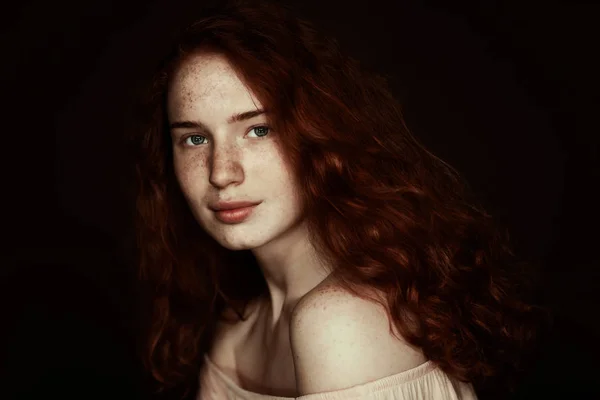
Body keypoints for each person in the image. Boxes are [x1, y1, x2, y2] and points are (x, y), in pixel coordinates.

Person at [126, 0, 552, 399]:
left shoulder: (340, 320)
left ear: (319, 133)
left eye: (259, 130)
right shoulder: (237, 329)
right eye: (195, 138)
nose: (221, 172)